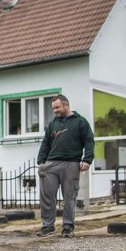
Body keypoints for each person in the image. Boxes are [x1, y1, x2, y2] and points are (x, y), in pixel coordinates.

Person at [36, 94, 95, 238]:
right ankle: (47, 226)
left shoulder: (80, 122)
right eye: (53, 108)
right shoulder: (52, 124)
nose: (55, 110)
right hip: (51, 164)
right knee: (47, 196)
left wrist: (87, 160)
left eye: (57, 107)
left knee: (69, 197)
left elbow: (89, 141)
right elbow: (45, 143)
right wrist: (41, 161)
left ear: (66, 105)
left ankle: (68, 227)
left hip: (72, 164)